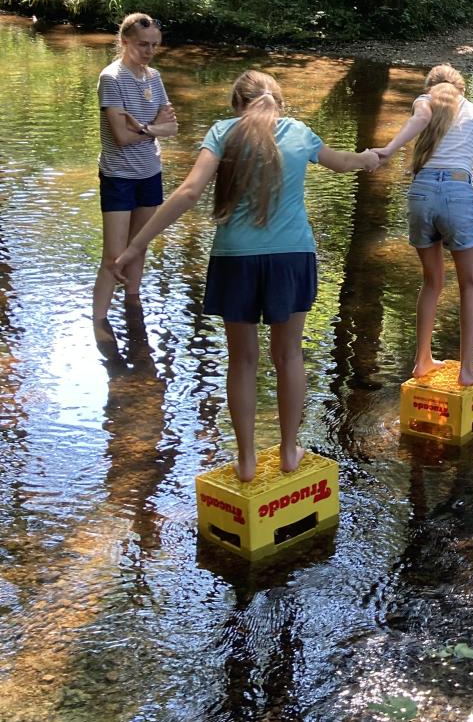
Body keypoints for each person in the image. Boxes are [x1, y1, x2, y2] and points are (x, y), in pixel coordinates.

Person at [114, 70, 379, 482]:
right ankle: (290, 451)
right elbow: (344, 163)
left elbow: (187, 193)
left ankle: (247, 460)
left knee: (241, 360)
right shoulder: (298, 132)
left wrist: (136, 245)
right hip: (291, 257)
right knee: (289, 355)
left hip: (235, 258)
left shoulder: (223, 132)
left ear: (237, 104)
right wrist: (367, 158)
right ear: (279, 100)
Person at [374, 64, 473, 386]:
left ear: (431, 86)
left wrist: (388, 150)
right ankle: (467, 369)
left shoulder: (424, 101)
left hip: (421, 193)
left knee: (432, 282)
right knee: (470, 284)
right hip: (457, 193)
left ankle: (422, 361)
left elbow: (418, 121)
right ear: (461, 87)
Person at [93, 12, 178, 331]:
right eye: (143, 44)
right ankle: (99, 325)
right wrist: (153, 128)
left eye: (154, 45)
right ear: (124, 41)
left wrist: (145, 127)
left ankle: (132, 310)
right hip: (118, 175)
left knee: (139, 246)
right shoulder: (111, 78)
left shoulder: (154, 77)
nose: (149, 51)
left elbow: (171, 128)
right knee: (114, 257)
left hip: (150, 172)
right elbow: (122, 137)